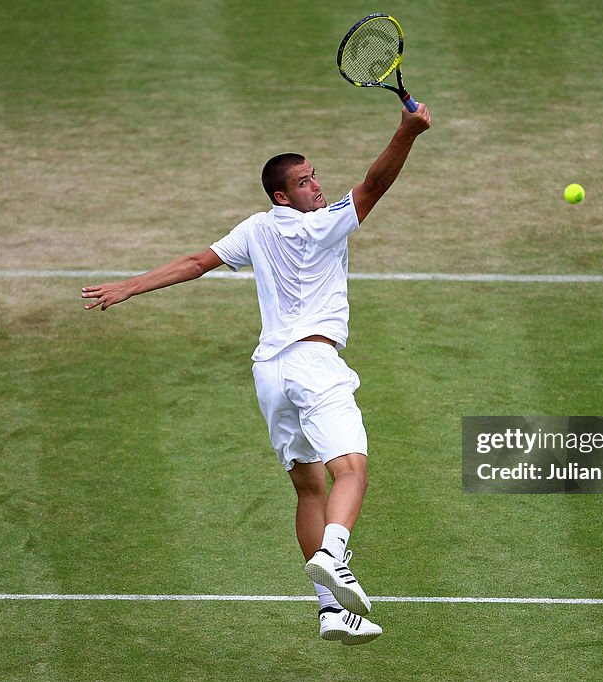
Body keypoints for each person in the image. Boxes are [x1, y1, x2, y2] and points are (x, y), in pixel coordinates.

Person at [81, 103, 432, 645]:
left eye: (314, 175)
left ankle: (330, 611)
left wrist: (129, 286)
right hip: (314, 364)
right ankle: (335, 557)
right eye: (303, 181)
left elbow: (197, 263)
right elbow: (375, 182)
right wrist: (408, 131)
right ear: (281, 196)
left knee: (309, 489)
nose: (316, 185)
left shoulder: (255, 229)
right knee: (352, 471)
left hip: (270, 373)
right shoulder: (324, 224)